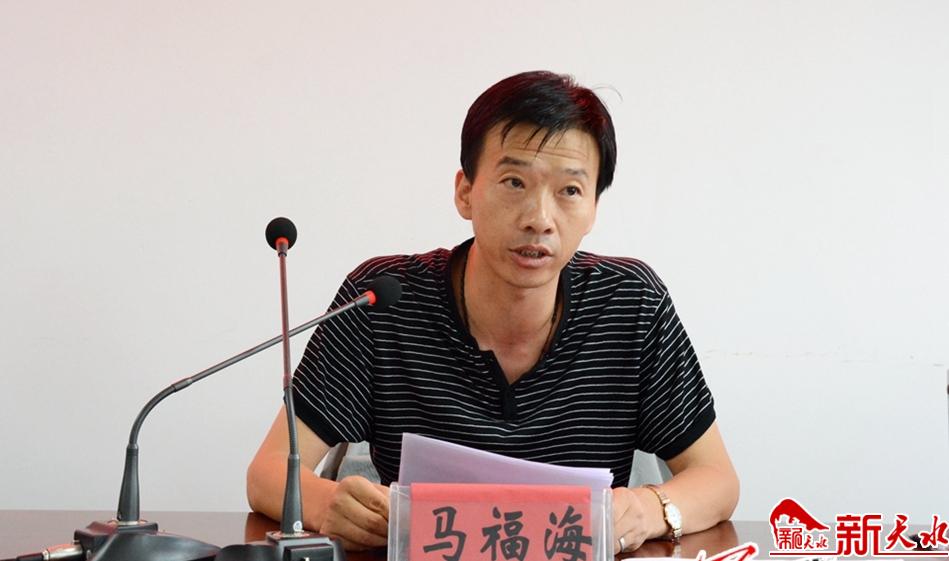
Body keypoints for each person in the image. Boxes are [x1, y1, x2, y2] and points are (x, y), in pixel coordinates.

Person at [246, 70, 739, 554]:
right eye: (514, 182)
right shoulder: (383, 300)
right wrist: (328, 503)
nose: (539, 219)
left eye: (569, 190)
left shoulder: (630, 303)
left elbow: (717, 479)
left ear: (593, 208)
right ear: (465, 192)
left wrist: (648, 509)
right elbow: (267, 472)